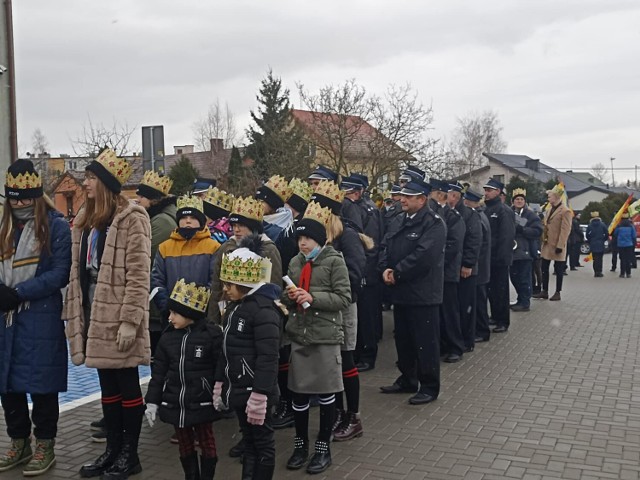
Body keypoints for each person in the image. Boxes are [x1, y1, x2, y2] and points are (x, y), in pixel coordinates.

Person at [64, 148, 151, 479]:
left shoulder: (133, 218)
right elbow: (80, 270)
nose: (85, 183)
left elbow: (138, 274)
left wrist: (130, 320)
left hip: (117, 317)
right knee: (107, 387)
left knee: (127, 385)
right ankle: (112, 450)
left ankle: (131, 454)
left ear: (104, 183)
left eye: (89, 177)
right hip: (92, 312)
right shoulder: (87, 218)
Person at [0, 160, 71, 477]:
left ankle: (45, 443)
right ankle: (19, 441)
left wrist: (19, 292)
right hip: (5, 320)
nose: (18, 203)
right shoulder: (3, 227)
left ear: (36, 195)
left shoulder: (55, 226)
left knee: (42, 385)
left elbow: (59, 273)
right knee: (8, 385)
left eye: (24, 196)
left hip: (39, 317)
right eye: (13, 197)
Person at [283, 202, 352, 474]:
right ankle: (300, 445)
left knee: (326, 394)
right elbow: (285, 298)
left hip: (325, 336)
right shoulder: (295, 262)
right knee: (298, 394)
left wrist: (314, 297)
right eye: (300, 238)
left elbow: (344, 298)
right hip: (300, 336)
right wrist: (287, 297)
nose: (302, 244)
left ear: (320, 240)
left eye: (308, 239)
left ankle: (323, 447)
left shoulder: (335, 261)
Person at [213, 237, 282, 480]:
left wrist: (260, 394)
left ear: (245, 281)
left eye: (230, 284)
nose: (225, 289)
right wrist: (220, 383)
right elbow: (226, 349)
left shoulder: (263, 311)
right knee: (249, 441)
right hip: (240, 390)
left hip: (255, 392)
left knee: (262, 443)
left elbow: (268, 357)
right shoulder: (236, 307)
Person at [145, 280, 223, 480]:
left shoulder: (211, 336)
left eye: (175, 313)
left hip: (202, 401)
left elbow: (221, 368)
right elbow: (159, 373)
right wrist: (152, 401)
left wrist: (220, 393)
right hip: (175, 402)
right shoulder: (167, 338)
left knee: (207, 441)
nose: (169, 318)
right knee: (184, 443)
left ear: (190, 314)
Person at [379, 178, 446, 405]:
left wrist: (396, 273)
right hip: (401, 291)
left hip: (423, 294)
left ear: (422, 199)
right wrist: (385, 268)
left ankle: (429, 386)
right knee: (404, 340)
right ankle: (408, 378)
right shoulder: (399, 220)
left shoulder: (434, 223)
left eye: (408, 196)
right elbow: (385, 245)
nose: (402, 199)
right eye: (403, 195)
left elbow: (423, 257)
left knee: (425, 342)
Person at [311, 183, 367, 442]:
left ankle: (353, 417)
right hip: (321, 308)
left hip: (343, 308)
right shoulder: (317, 235)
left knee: (345, 361)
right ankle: (336, 412)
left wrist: (332, 291)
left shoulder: (347, 236)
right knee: (328, 363)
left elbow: (355, 274)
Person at [271, 178, 313, 430]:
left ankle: (295, 400)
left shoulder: (296, 230)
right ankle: (290, 400)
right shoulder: (288, 228)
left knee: (291, 350)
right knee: (286, 349)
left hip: (298, 297)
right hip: (287, 293)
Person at [208, 196, 283, 325]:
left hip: (256, 318)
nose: (236, 230)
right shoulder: (226, 247)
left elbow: (274, 289)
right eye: (234, 225)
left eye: (242, 225)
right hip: (226, 313)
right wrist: (212, 323)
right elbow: (217, 288)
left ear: (253, 227)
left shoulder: (268, 250)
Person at [151, 195, 220, 320]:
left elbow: (214, 282)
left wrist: (199, 307)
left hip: (202, 317)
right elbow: (157, 280)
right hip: (171, 317)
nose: (188, 221)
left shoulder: (213, 247)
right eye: (184, 217)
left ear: (201, 221)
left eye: (193, 217)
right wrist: (168, 308)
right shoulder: (164, 247)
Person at [135, 170, 177, 357]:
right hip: (162, 297)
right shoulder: (165, 216)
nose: (138, 201)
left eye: (142, 196)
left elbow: (145, 258)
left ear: (152, 199)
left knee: (159, 357)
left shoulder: (160, 222)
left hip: (156, 301)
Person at [429, 178, 465, 362]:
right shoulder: (435, 214)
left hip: (447, 272)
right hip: (437, 272)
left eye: (433, 194)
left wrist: (438, 262)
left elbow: (454, 245)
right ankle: (443, 345)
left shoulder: (452, 216)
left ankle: (456, 347)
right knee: (439, 313)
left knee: (450, 312)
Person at [447, 182, 482, 353]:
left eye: (448, 195)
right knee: (455, 306)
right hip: (453, 268)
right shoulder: (448, 213)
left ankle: (467, 341)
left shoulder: (468, 214)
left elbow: (473, 240)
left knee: (466, 306)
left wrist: (468, 263)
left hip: (465, 268)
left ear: (455, 196)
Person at [482, 178, 515, 333]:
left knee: (500, 291)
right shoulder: (486, 209)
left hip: (499, 259)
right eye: (485, 190)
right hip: (488, 258)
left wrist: (501, 258)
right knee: (491, 291)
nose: (486, 193)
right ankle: (495, 316)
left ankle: (503, 320)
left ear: (498, 192)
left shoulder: (504, 210)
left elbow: (506, 237)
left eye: (489, 190)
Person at [462, 190, 492, 344]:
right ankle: (481, 329)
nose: (464, 203)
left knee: (479, 303)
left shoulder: (477, 217)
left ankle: (482, 331)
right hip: (481, 266)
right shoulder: (481, 215)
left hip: (478, 267)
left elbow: (477, 245)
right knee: (479, 301)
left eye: (466, 201)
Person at [534, 185, 572, 300]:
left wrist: (560, 245)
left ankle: (557, 292)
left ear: (556, 197)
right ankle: (544, 291)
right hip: (547, 243)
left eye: (550, 197)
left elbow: (565, 230)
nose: (548, 199)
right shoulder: (549, 209)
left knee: (559, 269)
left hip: (557, 244)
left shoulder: (565, 211)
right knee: (544, 267)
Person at [509, 189, 543, 312]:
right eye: (517, 199)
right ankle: (520, 298)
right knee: (514, 277)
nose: (519, 201)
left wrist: (522, 229)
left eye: (521, 199)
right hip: (511, 252)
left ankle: (525, 302)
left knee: (524, 278)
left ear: (525, 201)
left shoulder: (531, 215)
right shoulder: (508, 212)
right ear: (513, 201)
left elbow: (538, 231)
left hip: (525, 252)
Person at [255, 175, 293, 242]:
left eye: (262, 201)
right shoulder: (255, 220)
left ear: (272, 204)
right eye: (257, 201)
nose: (258, 204)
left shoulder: (284, 228)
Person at [586, 211, 609, 278]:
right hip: (600, 243)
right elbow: (607, 233)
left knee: (595, 259)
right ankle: (600, 272)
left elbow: (587, 235)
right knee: (600, 258)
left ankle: (596, 272)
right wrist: (603, 239)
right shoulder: (602, 224)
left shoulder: (590, 225)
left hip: (593, 244)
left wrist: (591, 240)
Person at [613, 212, 636, 278]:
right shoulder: (631, 226)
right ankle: (628, 274)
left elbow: (615, 234)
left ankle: (622, 273)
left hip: (621, 245)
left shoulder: (619, 226)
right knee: (628, 259)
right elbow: (634, 235)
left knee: (622, 259)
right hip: (629, 244)